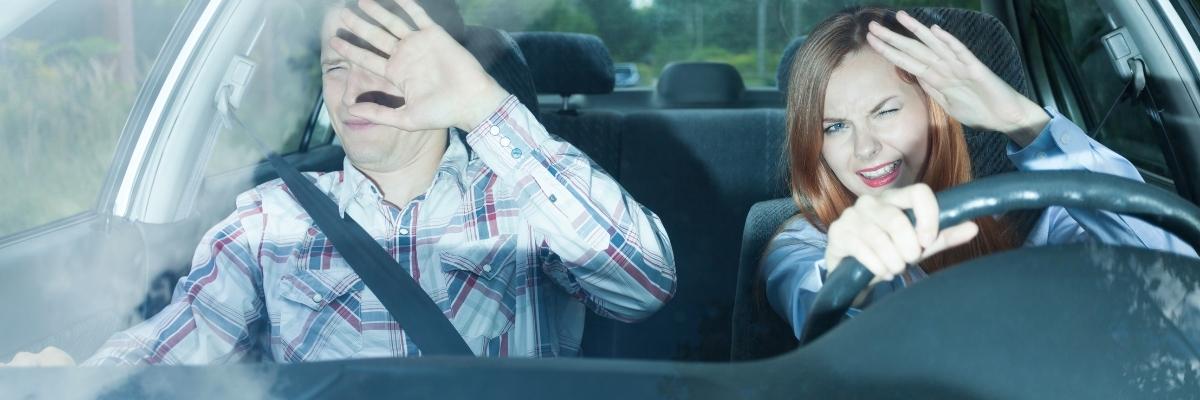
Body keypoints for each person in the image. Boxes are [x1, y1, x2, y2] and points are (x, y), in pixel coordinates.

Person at [3, 0, 675, 366]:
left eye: (381, 59)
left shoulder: (525, 203)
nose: (354, 87)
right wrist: (88, 381)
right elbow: (184, 335)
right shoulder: (271, 221)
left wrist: (488, 110)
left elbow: (644, 284)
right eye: (336, 65)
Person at [762, 6, 1197, 338]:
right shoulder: (802, 245)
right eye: (835, 127)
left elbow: (1175, 273)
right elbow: (819, 309)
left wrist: (1021, 118)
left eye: (886, 110)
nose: (865, 147)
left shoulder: (1031, 220)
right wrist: (850, 275)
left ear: (934, 109)